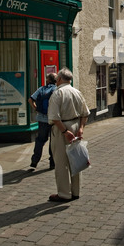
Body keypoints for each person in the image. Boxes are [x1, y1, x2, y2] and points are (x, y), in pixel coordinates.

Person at [48, 68, 90, 202]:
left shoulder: (58, 93)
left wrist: (65, 132)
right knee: (75, 158)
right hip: (76, 125)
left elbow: (55, 117)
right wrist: (81, 128)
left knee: (61, 162)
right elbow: (85, 113)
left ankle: (64, 193)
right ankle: (76, 191)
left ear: (59, 79)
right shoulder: (77, 92)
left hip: (62, 128)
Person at [28, 73, 57, 170]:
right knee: (53, 142)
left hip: (42, 119)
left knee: (40, 140)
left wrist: (36, 108)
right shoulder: (57, 90)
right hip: (54, 120)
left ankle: (34, 162)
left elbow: (30, 100)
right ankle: (52, 163)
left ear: (48, 80)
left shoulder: (41, 89)